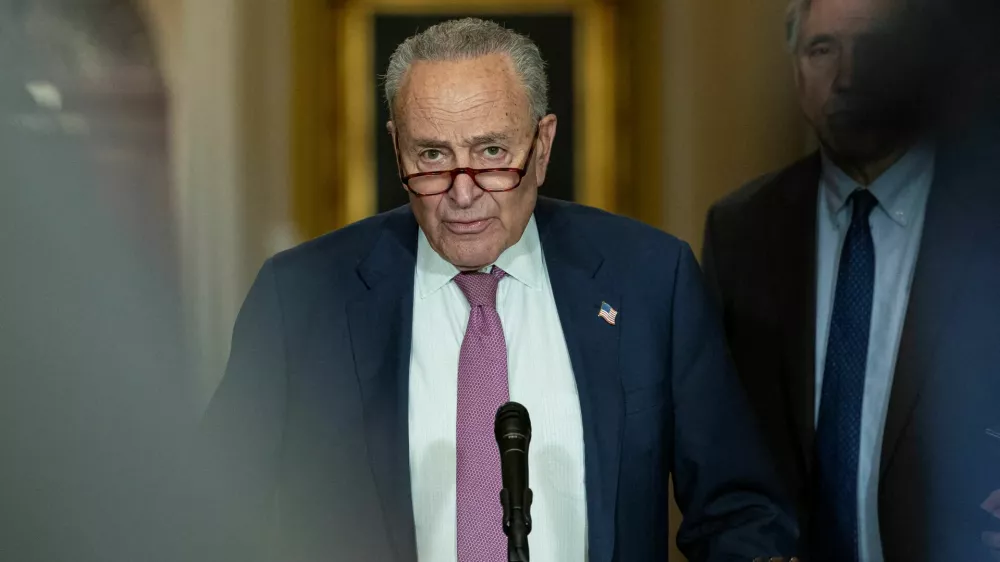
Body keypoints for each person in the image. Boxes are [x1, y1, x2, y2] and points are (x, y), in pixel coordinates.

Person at [198, 17, 797, 562]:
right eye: (432, 156)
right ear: (396, 147)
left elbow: (736, 511)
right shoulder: (301, 298)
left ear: (542, 146)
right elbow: (209, 516)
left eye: (491, 152)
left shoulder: (648, 280)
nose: (463, 193)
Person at [702, 0, 1000, 561]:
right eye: (822, 49)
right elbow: (721, 454)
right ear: (795, 70)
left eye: (876, 49)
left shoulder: (987, 214)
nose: (849, 77)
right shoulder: (742, 230)